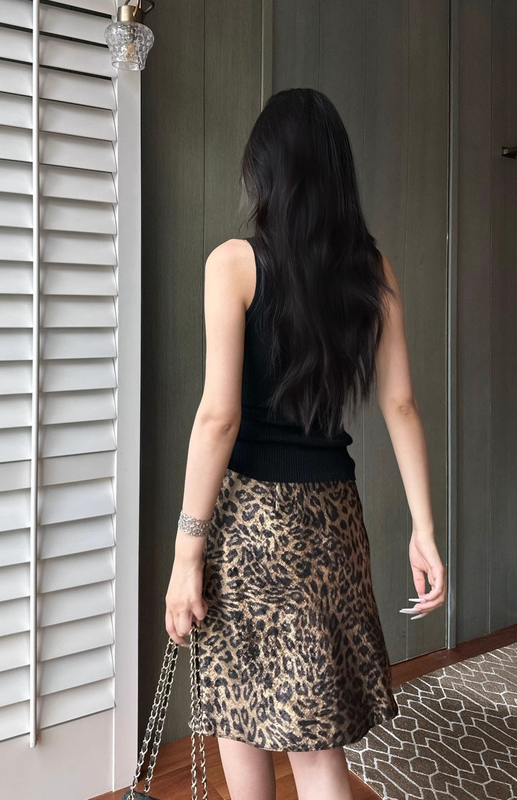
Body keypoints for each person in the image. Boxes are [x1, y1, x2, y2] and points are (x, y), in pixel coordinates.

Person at [164, 87, 446, 800]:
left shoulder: (233, 264)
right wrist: (423, 528)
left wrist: (187, 552)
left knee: (242, 718)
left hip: (253, 524)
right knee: (319, 747)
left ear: (264, 172)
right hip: (335, 522)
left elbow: (218, 418)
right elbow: (401, 404)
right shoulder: (372, 271)